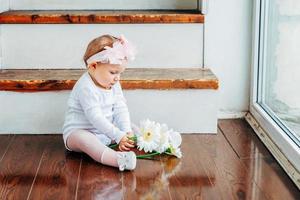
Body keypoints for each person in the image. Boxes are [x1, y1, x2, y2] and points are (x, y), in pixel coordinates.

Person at [62, 34, 137, 171]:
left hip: (105, 131)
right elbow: (95, 118)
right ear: (93, 66)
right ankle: (119, 160)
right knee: (86, 140)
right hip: (80, 132)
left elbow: (120, 107)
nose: (117, 78)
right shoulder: (86, 87)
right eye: (113, 72)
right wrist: (117, 135)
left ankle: (159, 141)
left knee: (132, 127)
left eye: (120, 73)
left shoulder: (114, 83)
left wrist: (125, 131)